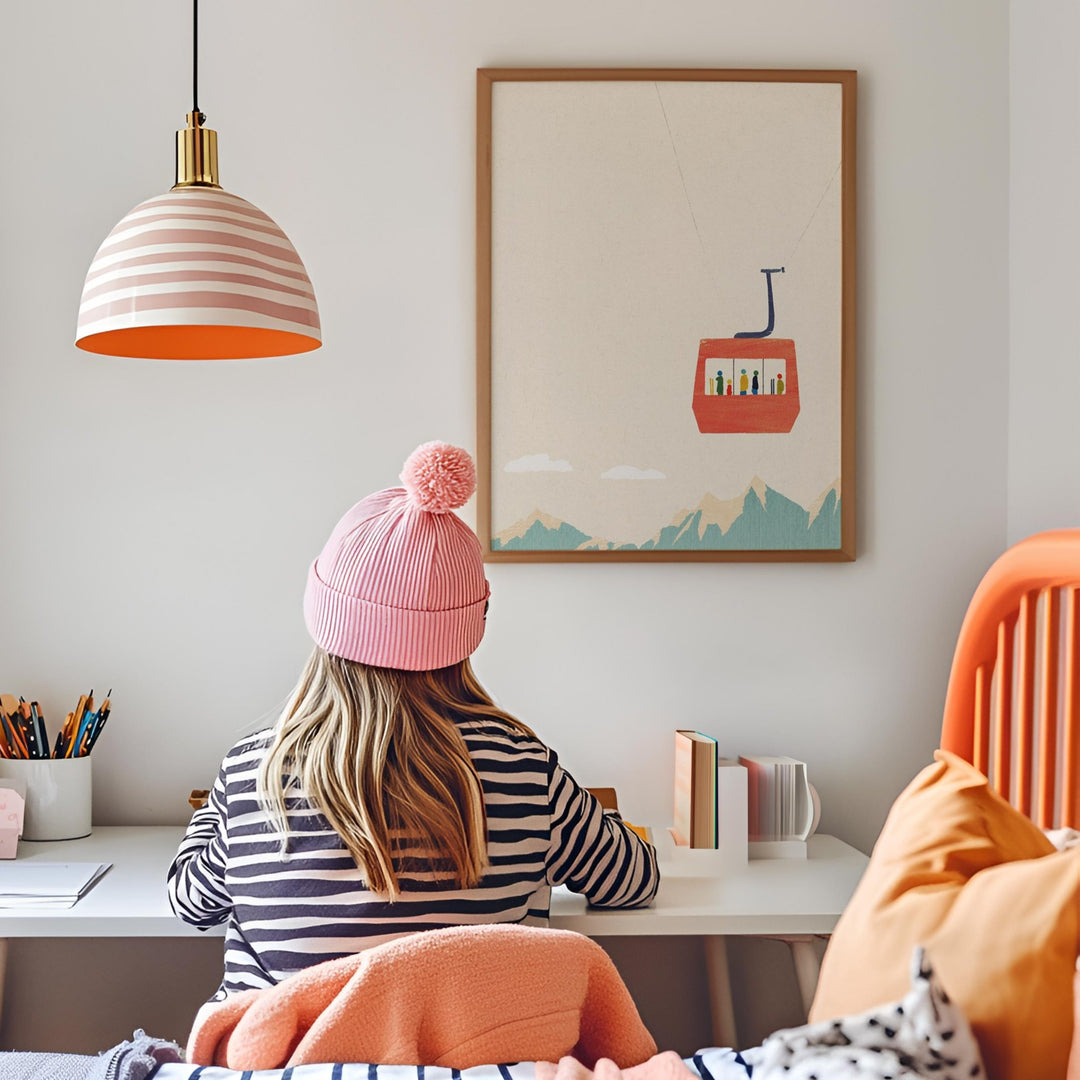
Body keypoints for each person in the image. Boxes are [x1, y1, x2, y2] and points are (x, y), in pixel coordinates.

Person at [168, 442, 659, 1000]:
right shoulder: (523, 765)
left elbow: (191, 903)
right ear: (469, 626)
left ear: (324, 617)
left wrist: (214, 813)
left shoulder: (256, 768)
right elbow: (633, 880)